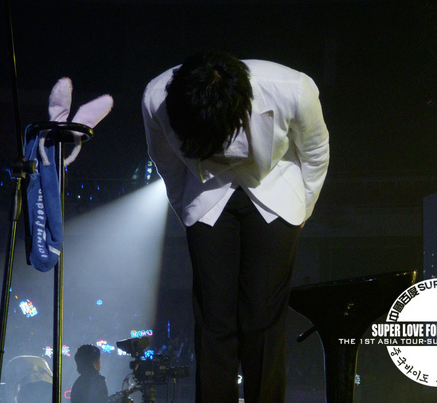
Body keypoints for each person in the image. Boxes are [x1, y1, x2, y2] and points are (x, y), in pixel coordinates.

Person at [142, 51, 329, 403]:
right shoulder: (156, 98)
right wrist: (186, 211)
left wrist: (302, 209)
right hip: (205, 194)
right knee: (213, 319)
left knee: (263, 317)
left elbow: (316, 151)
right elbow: (165, 161)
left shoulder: (293, 89)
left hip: (275, 190)